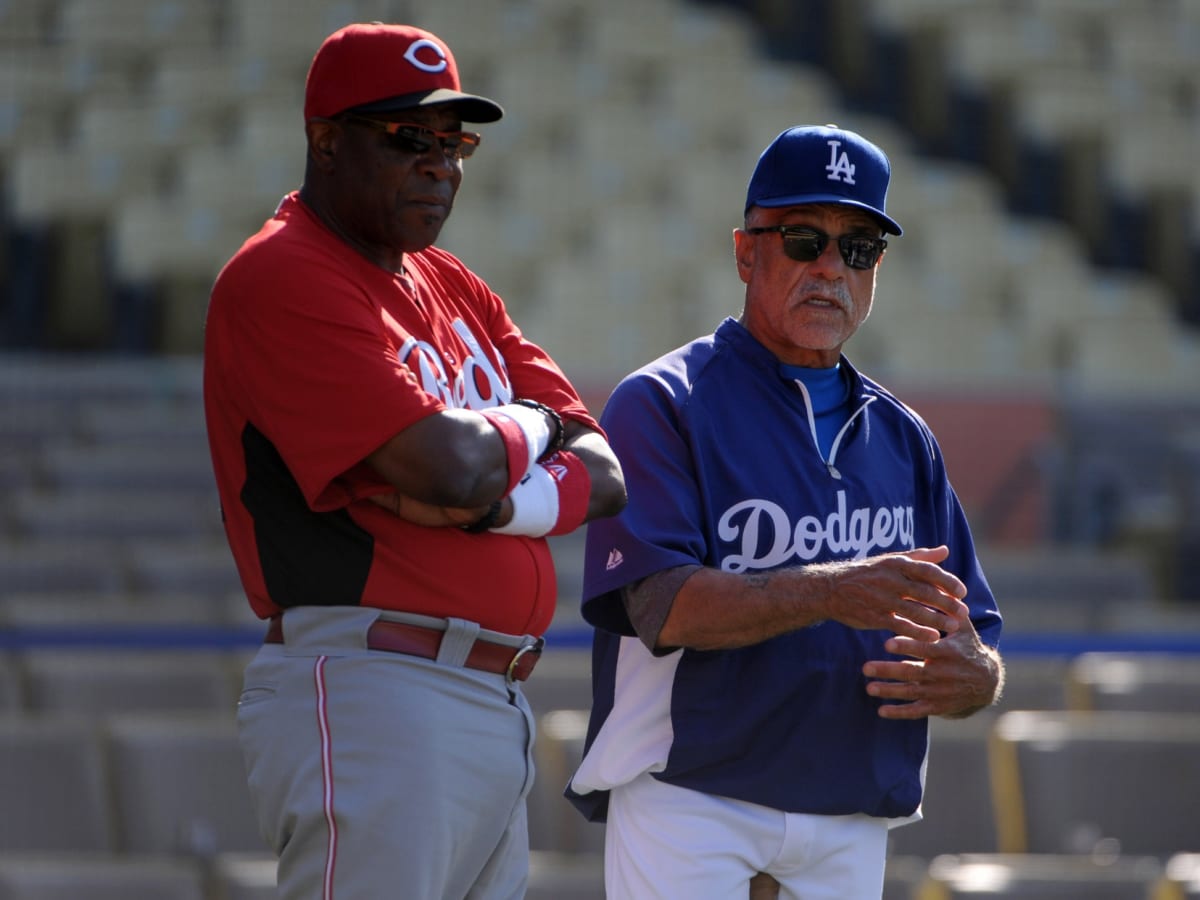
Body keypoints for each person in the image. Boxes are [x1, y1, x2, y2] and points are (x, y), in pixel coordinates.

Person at [203, 22, 625, 900]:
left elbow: (605, 469)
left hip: (490, 697)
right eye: (408, 138)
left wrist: (501, 498)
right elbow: (453, 467)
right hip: (375, 689)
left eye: (454, 142)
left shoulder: (454, 283)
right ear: (325, 140)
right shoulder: (284, 274)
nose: (440, 165)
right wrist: (521, 434)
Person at [565, 124, 1005, 899]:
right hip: (692, 798)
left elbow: (975, 640)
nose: (831, 268)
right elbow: (661, 606)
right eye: (804, 239)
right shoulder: (664, 403)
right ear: (746, 252)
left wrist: (973, 678)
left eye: (858, 247)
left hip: (852, 811)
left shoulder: (905, 439)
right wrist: (831, 590)